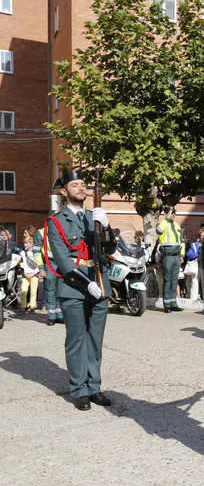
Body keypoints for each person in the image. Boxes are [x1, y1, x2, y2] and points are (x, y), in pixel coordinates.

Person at [45, 170, 115, 411]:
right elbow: (64, 263)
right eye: (75, 185)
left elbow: (110, 247)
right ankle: (79, 389)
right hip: (75, 287)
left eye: (84, 184)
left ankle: (94, 387)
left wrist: (106, 226)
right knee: (76, 340)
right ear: (64, 192)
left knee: (96, 340)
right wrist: (87, 284)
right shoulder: (56, 222)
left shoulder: (93, 216)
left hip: (100, 282)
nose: (81, 189)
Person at [156, 207, 185, 313]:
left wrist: (182, 255)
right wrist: (166, 218)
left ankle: (173, 303)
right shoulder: (163, 225)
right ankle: (167, 305)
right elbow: (158, 231)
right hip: (167, 256)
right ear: (166, 214)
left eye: (174, 214)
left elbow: (182, 241)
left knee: (174, 280)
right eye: (171, 213)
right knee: (168, 280)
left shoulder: (177, 226)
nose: (173, 215)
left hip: (177, 256)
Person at [34, 222, 63, 325]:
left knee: (61, 289)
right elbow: (36, 252)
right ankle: (51, 316)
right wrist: (41, 268)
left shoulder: (63, 229)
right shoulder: (41, 233)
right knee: (50, 289)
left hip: (63, 263)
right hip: (50, 263)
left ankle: (60, 315)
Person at [18, 226, 40, 314]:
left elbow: (38, 264)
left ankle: (31, 305)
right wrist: (23, 271)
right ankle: (23, 306)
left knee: (33, 291)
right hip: (26, 274)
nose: (25, 245)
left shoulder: (36, 252)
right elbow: (22, 263)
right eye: (25, 243)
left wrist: (34, 273)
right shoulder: (23, 253)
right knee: (23, 290)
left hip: (34, 274)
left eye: (27, 243)